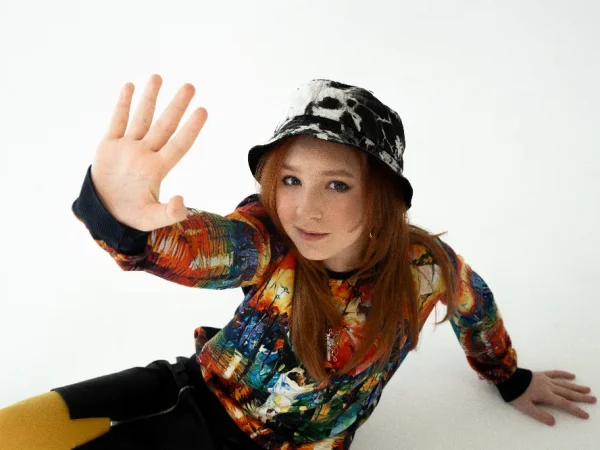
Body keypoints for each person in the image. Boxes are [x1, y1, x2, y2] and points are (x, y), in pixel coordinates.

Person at [0, 75, 595, 450]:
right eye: (290, 179)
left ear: (382, 196)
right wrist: (124, 217)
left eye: (337, 184)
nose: (305, 209)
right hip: (192, 391)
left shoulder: (424, 267)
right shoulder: (268, 240)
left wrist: (508, 377)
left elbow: (474, 304)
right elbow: (205, 247)